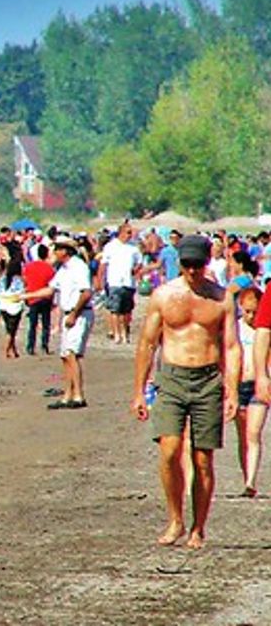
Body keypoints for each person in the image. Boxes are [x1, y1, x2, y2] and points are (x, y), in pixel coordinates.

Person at [133, 235, 239, 549]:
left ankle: (198, 527)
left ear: (208, 263)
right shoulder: (164, 296)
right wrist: (138, 390)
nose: (193, 270)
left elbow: (231, 347)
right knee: (169, 451)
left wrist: (231, 389)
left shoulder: (221, 299)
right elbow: (147, 343)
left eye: (198, 264)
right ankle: (175, 518)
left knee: (203, 458)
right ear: (179, 263)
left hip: (208, 380)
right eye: (187, 264)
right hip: (172, 379)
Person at [22, 238, 94, 410]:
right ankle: (67, 395)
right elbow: (50, 289)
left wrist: (74, 314)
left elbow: (86, 293)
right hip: (69, 313)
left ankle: (78, 395)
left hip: (79, 313)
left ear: (65, 251)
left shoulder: (79, 267)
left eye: (57, 249)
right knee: (65, 356)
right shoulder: (63, 269)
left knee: (71, 354)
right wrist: (25, 296)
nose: (54, 252)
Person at [235, 287, 266, 497]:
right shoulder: (235, 329)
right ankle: (246, 474)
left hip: (259, 386)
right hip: (238, 385)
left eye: (255, 311)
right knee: (242, 435)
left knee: (253, 433)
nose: (251, 316)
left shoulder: (264, 329)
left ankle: (250, 481)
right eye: (247, 311)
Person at [99, 223, 141, 344]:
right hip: (114, 281)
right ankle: (117, 334)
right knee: (115, 310)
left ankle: (125, 333)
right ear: (121, 232)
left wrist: (136, 270)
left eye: (131, 232)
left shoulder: (134, 248)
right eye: (128, 232)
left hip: (129, 282)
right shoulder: (110, 246)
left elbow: (139, 262)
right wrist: (100, 280)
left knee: (127, 311)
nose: (130, 235)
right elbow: (103, 264)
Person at [23, 243, 55, 355]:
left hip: (33, 297)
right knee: (46, 323)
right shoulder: (49, 268)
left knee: (33, 324)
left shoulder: (29, 266)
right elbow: (52, 285)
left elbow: (25, 281)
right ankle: (44, 345)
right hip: (45, 297)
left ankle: (30, 346)